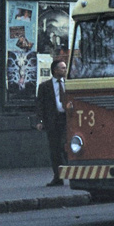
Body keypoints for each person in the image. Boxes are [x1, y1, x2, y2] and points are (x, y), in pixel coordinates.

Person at [36, 59, 69, 187]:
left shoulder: (69, 84)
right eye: (62, 68)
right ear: (55, 70)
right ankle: (58, 177)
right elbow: (40, 105)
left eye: (65, 68)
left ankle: (73, 173)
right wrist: (40, 121)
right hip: (53, 121)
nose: (65, 70)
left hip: (67, 119)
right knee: (54, 149)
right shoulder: (45, 86)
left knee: (65, 146)